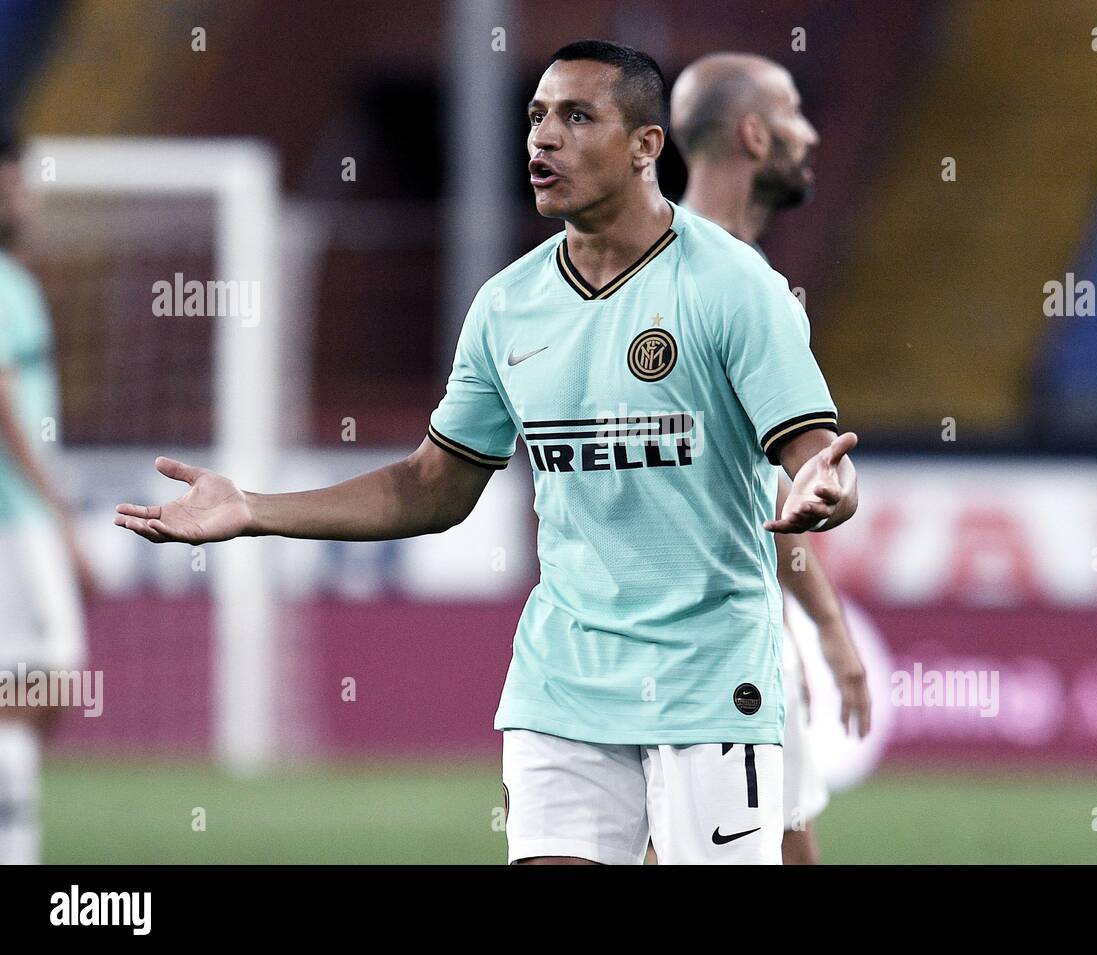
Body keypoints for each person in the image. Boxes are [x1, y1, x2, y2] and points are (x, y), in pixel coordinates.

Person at [115, 40, 857, 865]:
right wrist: (254, 508)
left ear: (649, 146)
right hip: (562, 684)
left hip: (711, 681)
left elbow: (815, 452)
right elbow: (432, 485)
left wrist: (828, 484)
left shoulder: (733, 285)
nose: (544, 138)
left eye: (578, 117)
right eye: (536, 117)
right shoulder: (508, 306)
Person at [672, 52, 870, 865]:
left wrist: (820, 622)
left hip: (745, 638)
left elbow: (747, 496)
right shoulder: (680, 285)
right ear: (753, 134)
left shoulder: (753, 285)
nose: (811, 131)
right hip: (676, 655)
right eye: (792, 112)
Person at [0, 129, 93, 865]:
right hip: (14, 518)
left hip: (19, 515)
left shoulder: (16, 280)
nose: (28, 198)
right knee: (46, 678)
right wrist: (58, 515)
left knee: (33, 683)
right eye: (18, 181)